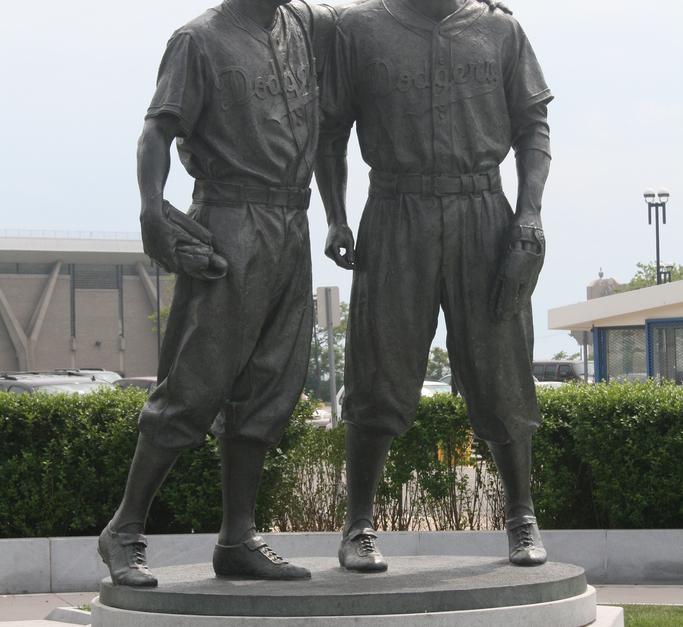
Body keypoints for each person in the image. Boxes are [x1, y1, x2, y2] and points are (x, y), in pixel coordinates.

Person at [98, 0, 335, 586]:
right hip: (230, 219)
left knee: (268, 388)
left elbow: (377, 15)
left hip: (292, 223)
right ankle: (123, 529)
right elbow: (157, 127)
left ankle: (237, 539)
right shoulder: (197, 40)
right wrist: (152, 210)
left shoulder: (304, 24)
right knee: (194, 382)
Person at [317, 0, 552, 572]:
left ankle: (521, 516)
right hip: (396, 210)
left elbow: (532, 127)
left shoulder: (501, 29)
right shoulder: (358, 28)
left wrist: (528, 217)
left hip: (484, 215)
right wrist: (335, 215)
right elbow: (331, 131)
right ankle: (358, 526)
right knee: (378, 366)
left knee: (503, 367)